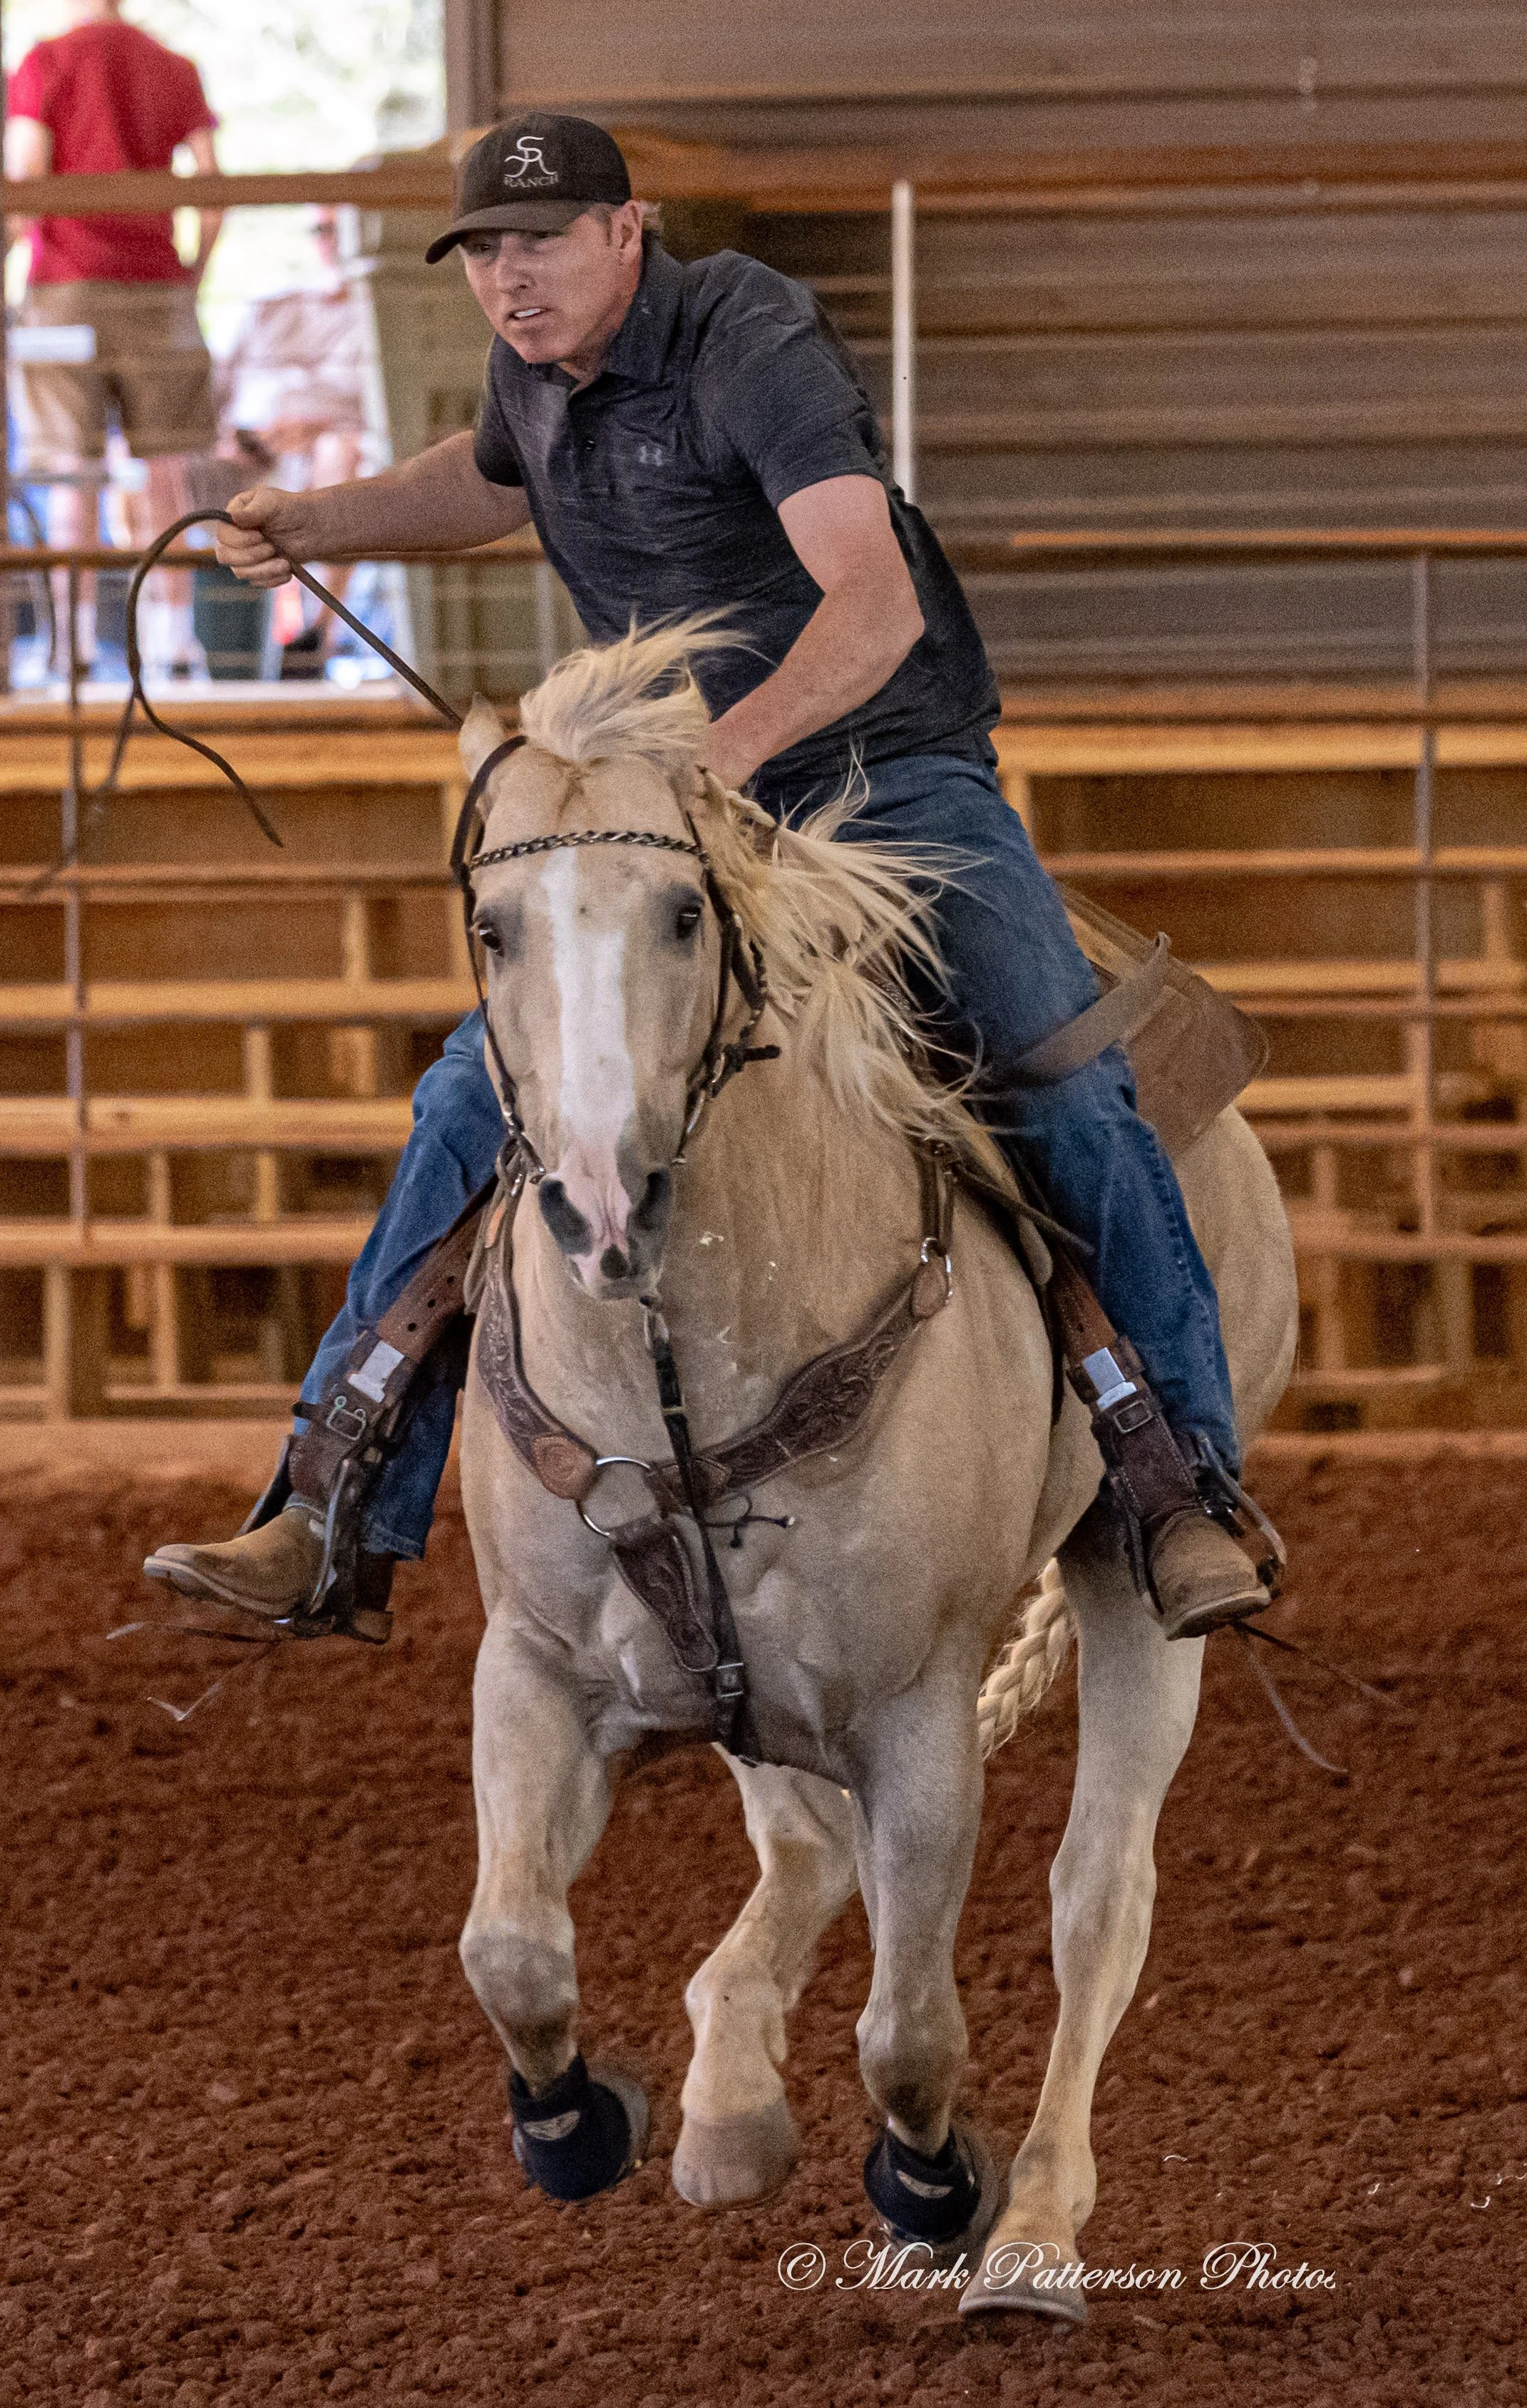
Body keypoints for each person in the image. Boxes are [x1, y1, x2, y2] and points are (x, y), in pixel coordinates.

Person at [145, 112, 1274, 1647]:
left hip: (884, 776)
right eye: (482, 252)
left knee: (1059, 1075)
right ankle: (333, 1496)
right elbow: (493, 481)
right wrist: (318, 521)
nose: (507, 279)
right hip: (678, 810)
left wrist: (708, 769)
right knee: (475, 1095)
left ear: (629, 231)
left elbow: (870, 608)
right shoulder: (533, 366)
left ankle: (1180, 1482)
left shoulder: (750, 335)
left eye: (537, 243)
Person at [4, 0, 222, 680]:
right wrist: (193, 272)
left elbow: (24, 178)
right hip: (158, 285)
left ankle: (70, 644)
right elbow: (213, 184)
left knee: (73, 470)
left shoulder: (45, 63)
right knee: (168, 470)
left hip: (65, 288)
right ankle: (175, 643)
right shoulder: (173, 66)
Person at [217, 208, 373, 675]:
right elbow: (217, 392)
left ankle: (318, 631)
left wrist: (316, 429)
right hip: (255, 446)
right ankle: (191, 648)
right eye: (320, 230)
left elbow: (378, 406)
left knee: (339, 461)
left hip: (331, 442)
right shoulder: (270, 306)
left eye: (338, 229)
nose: (329, 241)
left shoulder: (371, 315)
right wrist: (244, 437)